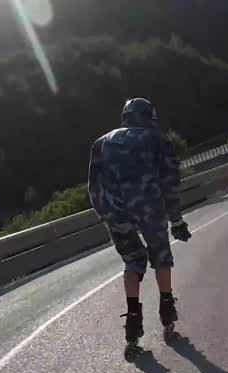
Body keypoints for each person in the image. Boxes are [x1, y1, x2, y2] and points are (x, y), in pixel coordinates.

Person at [87, 97, 191, 345]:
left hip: (115, 213)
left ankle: (133, 321)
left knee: (133, 261)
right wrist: (177, 221)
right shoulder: (157, 139)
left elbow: (93, 187)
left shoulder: (101, 144)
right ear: (149, 116)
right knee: (161, 255)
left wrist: (107, 216)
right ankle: (167, 310)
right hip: (150, 209)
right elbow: (170, 184)